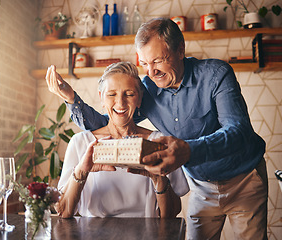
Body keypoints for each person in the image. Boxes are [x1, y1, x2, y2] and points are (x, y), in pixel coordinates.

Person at [47, 18, 268, 239]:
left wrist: (188, 151)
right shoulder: (150, 89)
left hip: (243, 178)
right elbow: (113, 122)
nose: (151, 73)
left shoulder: (216, 74)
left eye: (158, 61)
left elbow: (239, 131)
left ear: (180, 50)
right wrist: (71, 98)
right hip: (202, 187)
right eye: (144, 64)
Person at [52, 62, 189, 219]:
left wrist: (158, 179)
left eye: (129, 94)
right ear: (101, 99)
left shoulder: (159, 142)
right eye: (111, 94)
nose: (121, 102)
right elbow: (63, 211)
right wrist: (82, 170)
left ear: (139, 100)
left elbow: (172, 213)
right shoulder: (80, 142)